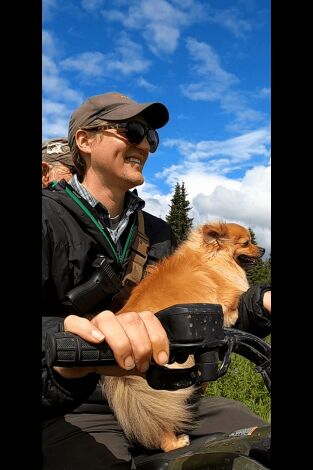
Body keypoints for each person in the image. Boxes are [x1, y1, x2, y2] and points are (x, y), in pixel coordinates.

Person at [42, 92, 271, 469]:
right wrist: (68, 343)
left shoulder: (159, 233)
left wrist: (258, 303)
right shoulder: (49, 218)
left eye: (151, 137)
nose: (145, 144)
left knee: (257, 445)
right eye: (132, 131)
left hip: (170, 395)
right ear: (84, 141)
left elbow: (198, 314)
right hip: (75, 405)